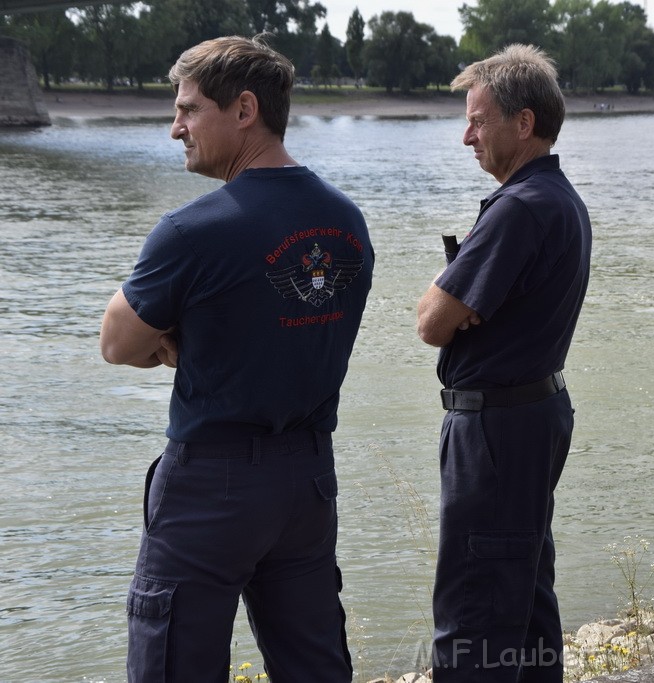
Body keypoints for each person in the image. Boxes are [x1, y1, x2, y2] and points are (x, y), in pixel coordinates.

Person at [99, 34, 373, 682]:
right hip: (307, 483)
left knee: (173, 665)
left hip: (211, 487)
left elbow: (115, 341)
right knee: (315, 666)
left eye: (189, 109)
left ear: (244, 109)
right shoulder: (348, 223)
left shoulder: (194, 230)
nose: (175, 128)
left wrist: (170, 345)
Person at [416, 44, 592, 683]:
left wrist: (449, 292)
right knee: (524, 594)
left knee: (475, 606)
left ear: (523, 124)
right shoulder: (558, 198)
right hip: (533, 412)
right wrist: (460, 297)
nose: (467, 136)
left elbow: (431, 323)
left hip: (495, 428)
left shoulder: (518, 208)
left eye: (478, 120)